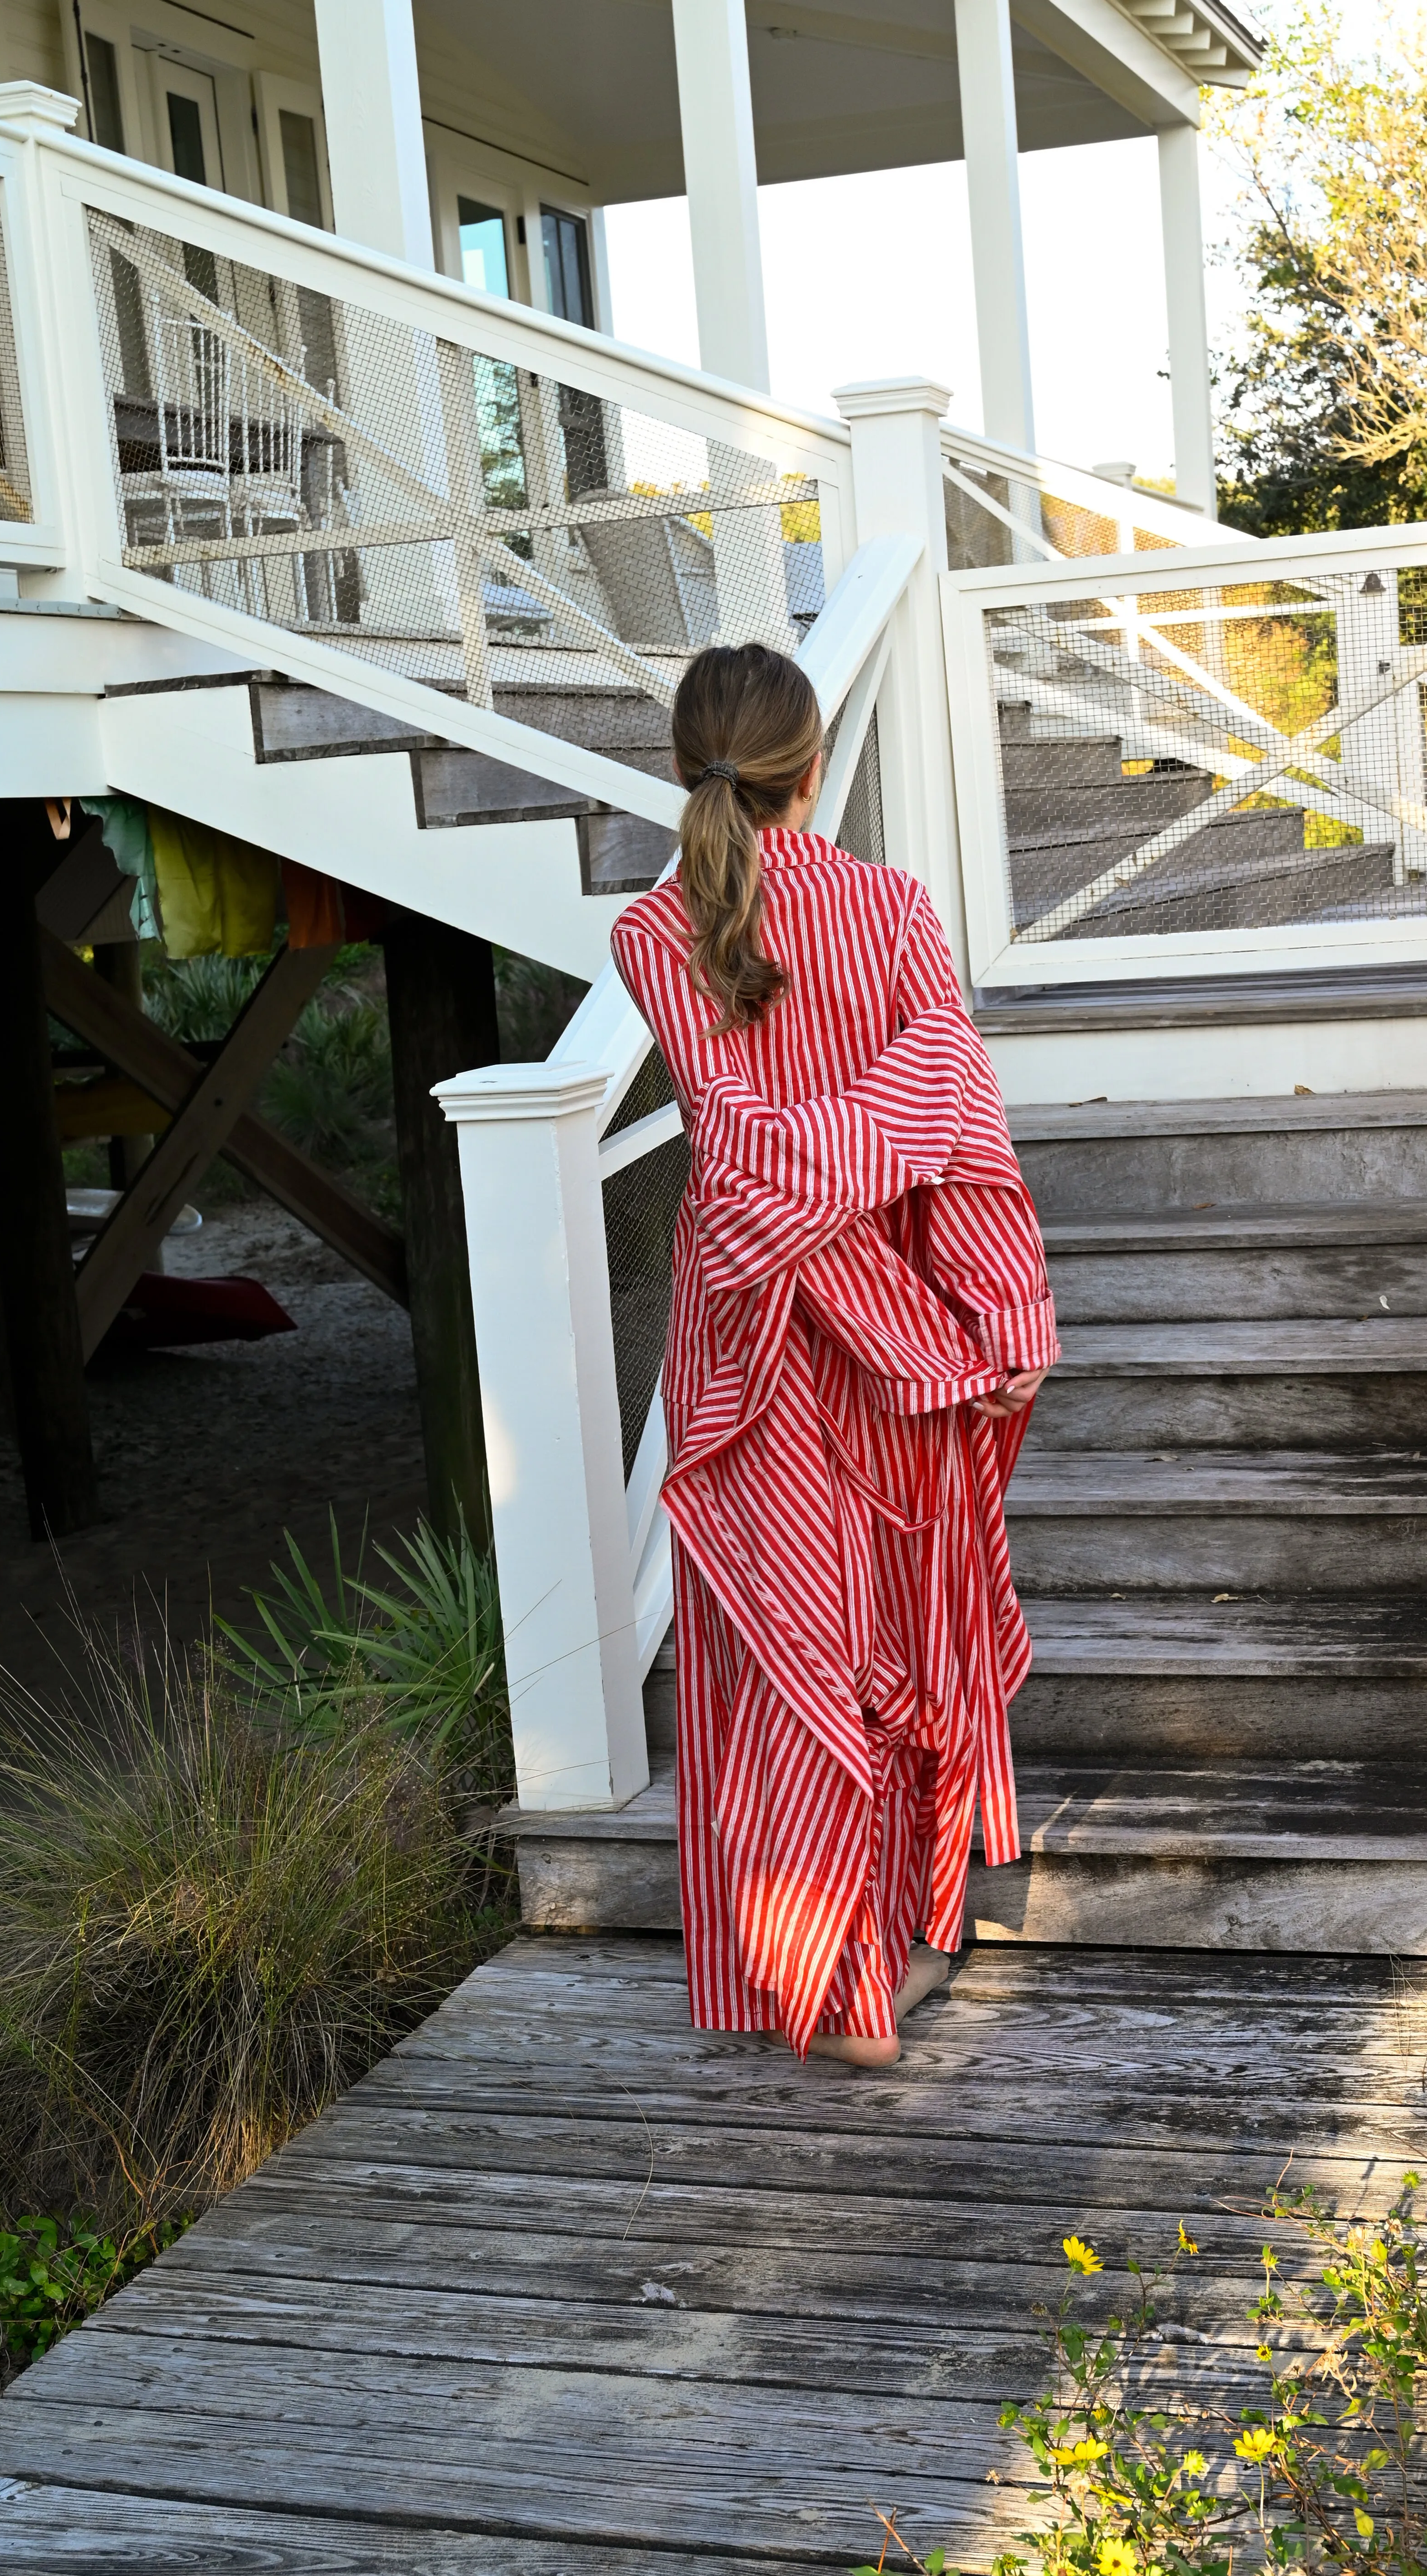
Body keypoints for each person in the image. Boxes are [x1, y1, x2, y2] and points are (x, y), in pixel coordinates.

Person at [612, 642, 1058, 2067]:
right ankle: (897, 1957)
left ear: (689, 769)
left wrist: (812, 1151)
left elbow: (741, 1156)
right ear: (815, 771)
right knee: (901, 1622)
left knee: (787, 1639)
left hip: (745, 1336)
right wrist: (1005, 1316)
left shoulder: (651, 933)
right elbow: (962, 1131)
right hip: (897, 1328)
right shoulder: (891, 909)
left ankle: (815, 1964)